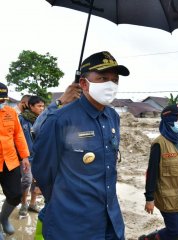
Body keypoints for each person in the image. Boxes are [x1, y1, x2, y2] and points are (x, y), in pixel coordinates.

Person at [32, 51, 129, 240]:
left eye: (114, 80)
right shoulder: (60, 119)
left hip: (110, 219)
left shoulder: (113, 117)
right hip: (72, 223)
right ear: (84, 83)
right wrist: (65, 200)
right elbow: (43, 170)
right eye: (102, 78)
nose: (110, 85)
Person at [140, 104, 178, 240]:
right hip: (168, 197)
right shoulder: (159, 144)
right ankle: (149, 238)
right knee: (176, 232)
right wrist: (149, 198)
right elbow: (151, 174)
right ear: (169, 119)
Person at [32, 83, 81, 240]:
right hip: (58, 184)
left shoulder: (99, 117)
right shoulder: (57, 116)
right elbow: (38, 129)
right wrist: (60, 101)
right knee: (50, 214)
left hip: (81, 187)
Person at [0, 82, 30, 239]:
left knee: (16, 194)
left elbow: (18, 135)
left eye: (2, 100)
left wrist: (24, 156)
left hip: (9, 160)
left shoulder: (10, 112)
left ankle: (3, 218)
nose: (1, 103)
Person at [18, 96, 45, 217]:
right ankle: (23, 203)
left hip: (39, 156)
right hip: (26, 157)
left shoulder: (43, 120)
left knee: (37, 181)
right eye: (39, 106)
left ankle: (32, 204)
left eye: (43, 106)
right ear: (31, 106)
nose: (42, 108)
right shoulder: (21, 119)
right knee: (27, 180)